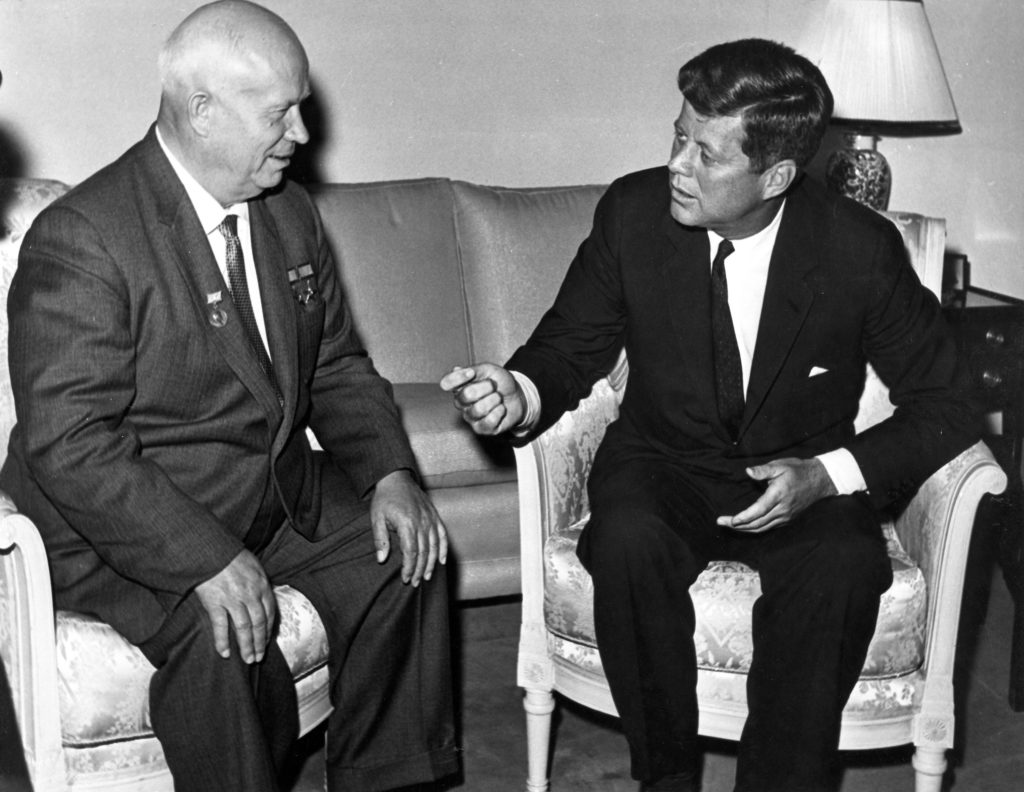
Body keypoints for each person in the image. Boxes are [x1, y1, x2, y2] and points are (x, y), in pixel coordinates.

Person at [442, 38, 978, 792]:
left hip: (801, 475)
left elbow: (948, 402)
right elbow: (567, 347)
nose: (676, 165)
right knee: (624, 539)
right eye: (678, 135)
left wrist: (827, 478)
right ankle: (665, 777)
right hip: (664, 463)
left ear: (777, 175)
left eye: (706, 154)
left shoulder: (857, 250)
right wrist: (517, 393)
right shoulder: (633, 216)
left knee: (843, 567)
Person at [1, 2, 459, 790]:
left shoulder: (286, 211)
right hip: (116, 519)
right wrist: (205, 558)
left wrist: (391, 475)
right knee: (222, 636)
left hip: (263, 491)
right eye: (281, 112)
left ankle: (389, 779)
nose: (303, 135)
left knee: (406, 557)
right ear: (202, 111)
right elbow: (73, 443)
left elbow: (337, 365)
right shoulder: (87, 237)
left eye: (303, 107)